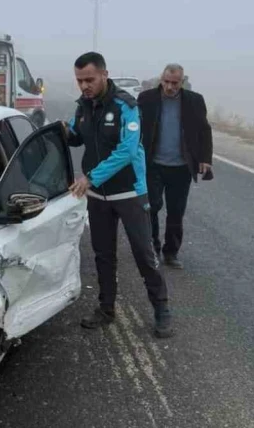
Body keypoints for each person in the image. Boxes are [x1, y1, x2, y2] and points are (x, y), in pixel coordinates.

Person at [62, 51, 172, 339]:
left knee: (144, 253)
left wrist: (90, 177)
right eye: (79, 80)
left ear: (104, 75)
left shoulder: (126, 106)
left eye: (89, 79)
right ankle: (106, 308)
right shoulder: (83, 107)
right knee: (103, 254)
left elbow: (127, 150)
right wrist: (61, 132)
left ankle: (161, 309)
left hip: (129, 192)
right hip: (98, 197)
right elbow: (76, 135)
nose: (84, 86)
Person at [137, 63, 213, 270]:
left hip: (181, 167)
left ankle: (171, 253)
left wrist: (205, 158)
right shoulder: (146, 99)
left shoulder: (195, 101)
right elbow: (135, 128)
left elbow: (204, 130)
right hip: (153, 164)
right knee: (151, 207)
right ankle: (153, 248)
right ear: (161, 79)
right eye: (166, 82)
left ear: (182, 81)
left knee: (176, 212)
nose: (170, 87)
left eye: (175, 83)